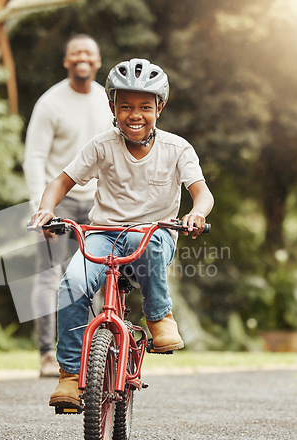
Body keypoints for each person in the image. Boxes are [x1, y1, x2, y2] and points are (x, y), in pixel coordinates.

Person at [31, 58, 214, 410]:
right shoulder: (101, 146)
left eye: (145, 106)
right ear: (112, 107)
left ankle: (159, 316)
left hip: (153, 235)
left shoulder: (177, 149)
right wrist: (46, 208)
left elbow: (201, 192)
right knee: (72, 284)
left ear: (159, 107)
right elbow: (61, 181)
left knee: (147, 241)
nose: (135, 114)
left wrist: (196, 213)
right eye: (125, 106)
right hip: (104, 234)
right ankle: (69, 375)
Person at [23, 34, 112, 377]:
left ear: (98, 60)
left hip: (96, 206)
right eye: (75, 52)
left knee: (96, 278)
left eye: (88, 52)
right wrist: (39, 206)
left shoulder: (107, 101)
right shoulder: (51, 103)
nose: (82, 57)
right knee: (48, 276)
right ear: (66, 60)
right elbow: (34, 158)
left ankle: (93, 354)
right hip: (57, 202)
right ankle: (48, 354)